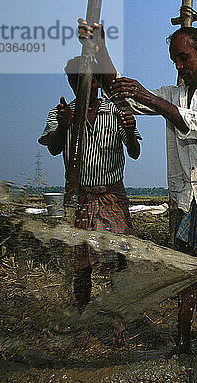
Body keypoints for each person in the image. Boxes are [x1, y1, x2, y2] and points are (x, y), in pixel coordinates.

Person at [78, 21, 197, 353]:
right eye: (175, 60)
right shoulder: (173, 95)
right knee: (184, 272)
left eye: (184, 58)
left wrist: (147, 95)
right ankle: (183, 342)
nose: (179, 66)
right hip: (187, 198)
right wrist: (99, 46)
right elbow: (123, 92)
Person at [39, 56, 141, 317]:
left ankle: (117, 316)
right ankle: (82, 313)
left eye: (84, 81)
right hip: (80, 195)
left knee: (117, 256)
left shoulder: (117, 112)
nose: (79, 87)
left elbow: (135, 152)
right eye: (74, 82)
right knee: (81, 262)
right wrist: (65, 127)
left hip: (111, 196)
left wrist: (130, 132)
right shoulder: (60, 113)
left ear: (96, 81)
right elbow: (53, 148)